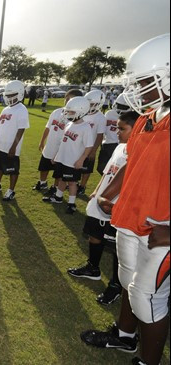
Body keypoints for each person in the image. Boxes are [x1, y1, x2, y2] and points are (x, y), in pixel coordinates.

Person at [81, 33, 170, 365]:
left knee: (149, 298)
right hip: (131, 219)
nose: (140, 88)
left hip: (160, 228)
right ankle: (124, 336)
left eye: (147, 80)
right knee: (129, 283)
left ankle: (149, 362)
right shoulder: (149, 117)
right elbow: (133, 162)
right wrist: (109, 194)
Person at [67, 111, 138, 305]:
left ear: (137, 130)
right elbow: (108, 172)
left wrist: (114, 204)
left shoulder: (139, 153)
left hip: (116, 207)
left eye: (122, 128)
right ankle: (93, 268)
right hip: (101, 201)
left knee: (117, 247)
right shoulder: (119, 148)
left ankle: (115, 285)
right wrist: (97, 191)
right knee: (94, 234)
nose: (117, 131)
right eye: (116, 127)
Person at [42, 96, 93, 214]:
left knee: (72, 182)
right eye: (68, 111)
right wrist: (57, 155)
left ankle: (71, 203)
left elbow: (89, 146)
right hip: (62, 158)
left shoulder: (85, 127)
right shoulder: (69, 124)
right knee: (61, 179)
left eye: (71, 112)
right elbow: (63, 142)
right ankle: (58, 197)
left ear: (81, 111)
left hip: (73, 161)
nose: (68, 113)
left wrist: (81, 160)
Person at [0, 80, 30, 201]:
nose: (8, 97)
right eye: (7, 95)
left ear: (19, 93)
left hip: (11, 146)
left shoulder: (21, 109)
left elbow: (21, 129)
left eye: (11, 95)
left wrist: (14, 147)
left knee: (13, 169)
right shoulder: (5, 109)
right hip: (1, 144)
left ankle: (11, 190)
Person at [32, 89, 84, 194]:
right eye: (66, 99)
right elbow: (47, 127)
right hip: (50, 145)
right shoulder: (56, 112)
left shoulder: (75, 118)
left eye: (70, 99)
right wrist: (42, 141)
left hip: (62, 149)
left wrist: (59, 152)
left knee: (58, 172)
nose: (67, 101)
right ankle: (42, 182)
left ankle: (55, 188)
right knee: (44, 167)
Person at [78, 89, 107, 195]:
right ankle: (75, 183)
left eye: (91, 104)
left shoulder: (100, 118)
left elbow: (100, 136)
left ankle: (82, 186)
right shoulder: (83, 113)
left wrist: (94, 150)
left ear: (98, 104)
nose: (89, 106)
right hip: (78, 145)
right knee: (76, 166)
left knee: (86, 169)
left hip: (89, 146)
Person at [96, 93, 132, 175]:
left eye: (123, 106)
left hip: (121, 145)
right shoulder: (109, 113)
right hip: (107, 144)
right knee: (101, 168)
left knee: (116, 170)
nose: (119, 108)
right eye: (119, 105)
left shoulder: (131, 118)